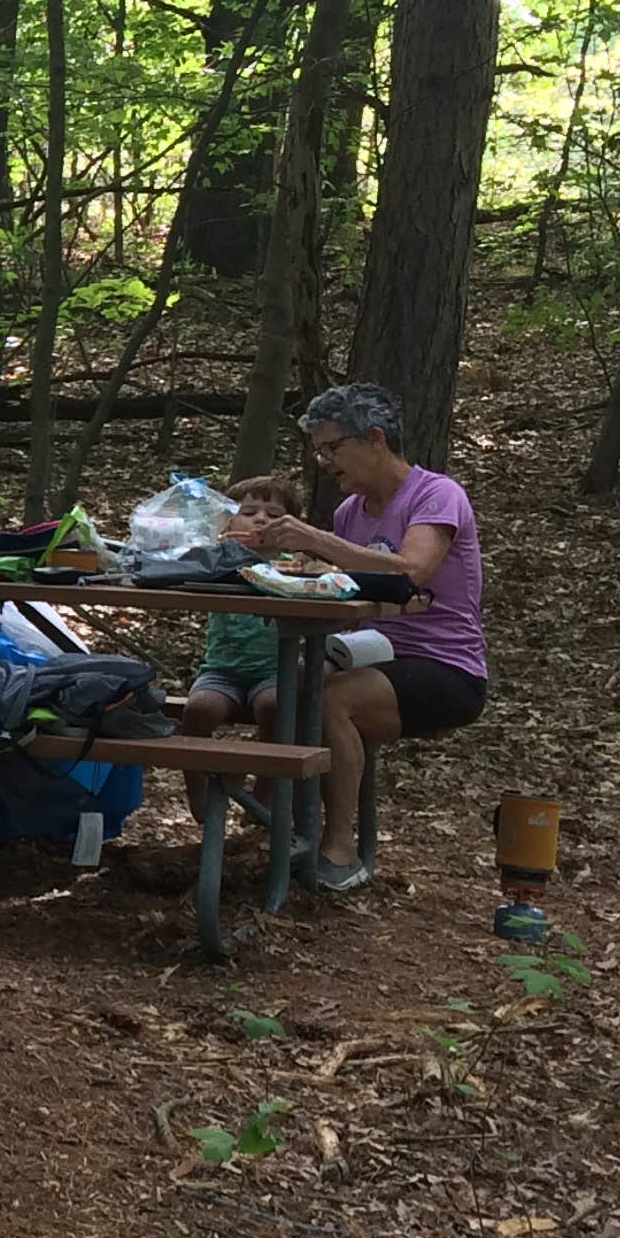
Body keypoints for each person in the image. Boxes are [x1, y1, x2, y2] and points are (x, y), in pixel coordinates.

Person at [235, 382, 489, 907]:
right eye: (318, 451)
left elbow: (414, 570)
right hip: (370, 647)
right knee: (282, 692)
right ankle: (276, 825)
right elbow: (342, 584)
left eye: (332, 448)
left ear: (374, 439)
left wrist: (317, 540)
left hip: (443, 664)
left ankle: (340, 848)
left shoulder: (436, 495)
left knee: (332, 701)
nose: (324, 463)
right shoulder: (351, 511)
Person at [181, 474, 296, 739]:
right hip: (221, 671)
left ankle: (271, 767)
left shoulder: (295, 567)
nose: (261, 519)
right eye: (249, 512)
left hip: (276, 671)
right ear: (229, 520)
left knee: (274, 706)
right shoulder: (217, 563)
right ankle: (195, 768)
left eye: (273, 514)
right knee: (199, 709)